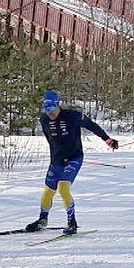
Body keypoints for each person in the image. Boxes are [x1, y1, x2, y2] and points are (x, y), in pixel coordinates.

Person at [26, 90, 119, 234]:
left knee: (63, 188)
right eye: (46, 108)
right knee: (47, 192)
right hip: (56, 160)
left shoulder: (72, 116)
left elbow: (91, 125)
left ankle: (72, 222)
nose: (49, 112)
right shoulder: (44, 120)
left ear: (58, 105)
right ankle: (42, 220)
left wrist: (107, 139)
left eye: (51, 107)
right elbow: (51, 140)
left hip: (74, 157)